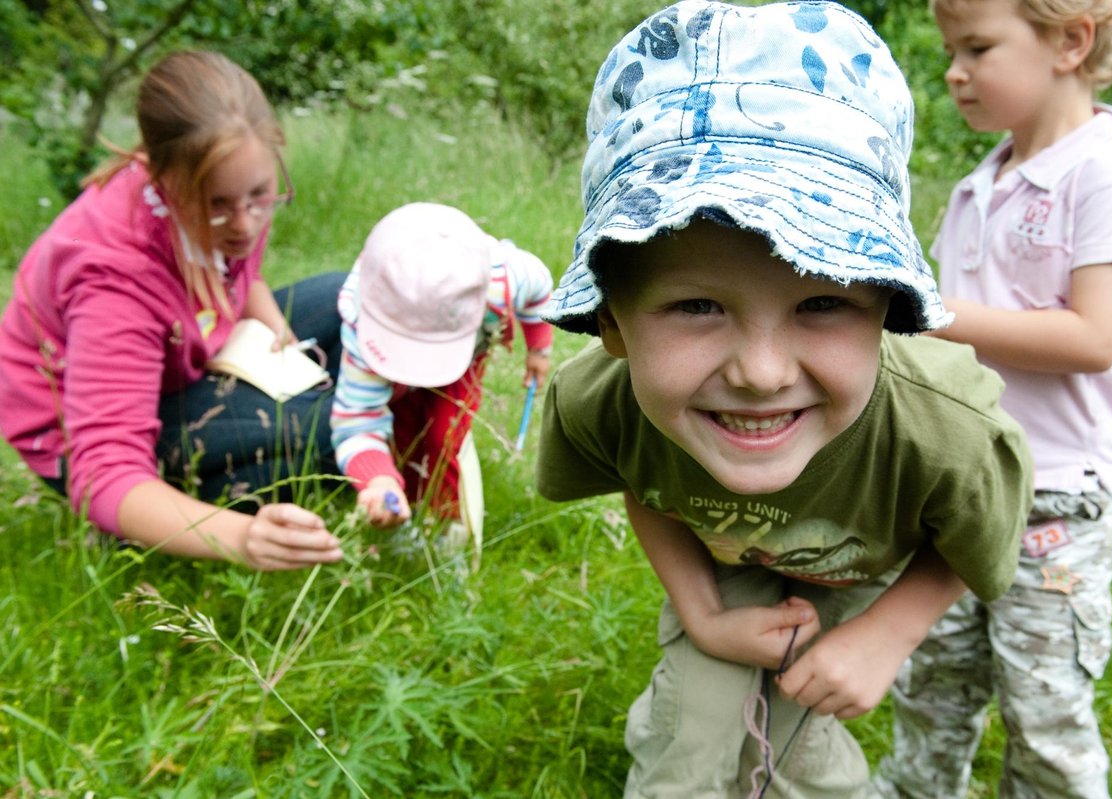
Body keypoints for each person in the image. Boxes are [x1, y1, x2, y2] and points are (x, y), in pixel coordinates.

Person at [534, 2, 1034, 796]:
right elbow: (643, 478)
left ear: (886, 308)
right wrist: (701, 612)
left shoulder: (949, 433)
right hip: (723, 560)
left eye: (822, 303)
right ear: (610, 320)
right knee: (691, 730)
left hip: (858, 562)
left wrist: (885, 634)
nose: (762, 373)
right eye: (697, 306)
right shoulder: (602, 402)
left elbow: (972, 540)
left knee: (803, 747)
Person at [873, 1, 1112, 797]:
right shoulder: (977, 185)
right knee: (932, 685)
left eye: (977, 48)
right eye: (949, 50)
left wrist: (930, 313)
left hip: (1056, 499)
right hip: (961, 486)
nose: (953, 72)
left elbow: (1095, 336)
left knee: (1044, 709)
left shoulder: (1105, 176)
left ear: (1069, 42)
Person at [0, 51, 347, 571]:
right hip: (92, 426)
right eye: (218, 206)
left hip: (183, 357)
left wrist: (271, 324)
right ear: (164, 178)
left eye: (260, 195)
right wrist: (243, 538)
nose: (247, 225)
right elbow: (103, 472)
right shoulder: (113, 278)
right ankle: (159, 520)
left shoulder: (227, 189)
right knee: (339, 425)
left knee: (356, 303)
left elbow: (235, 270)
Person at [331, 202, 554, 534]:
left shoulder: (500, 280)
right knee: (403, 434)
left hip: (463, 358)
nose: (419, 367)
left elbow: (540, 289)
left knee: (443, 435)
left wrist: (539, 348)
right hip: (387, 370)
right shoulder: (364, 328)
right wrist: (377, 480)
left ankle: (447, 519)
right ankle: (405, 507)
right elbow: (356, 421)